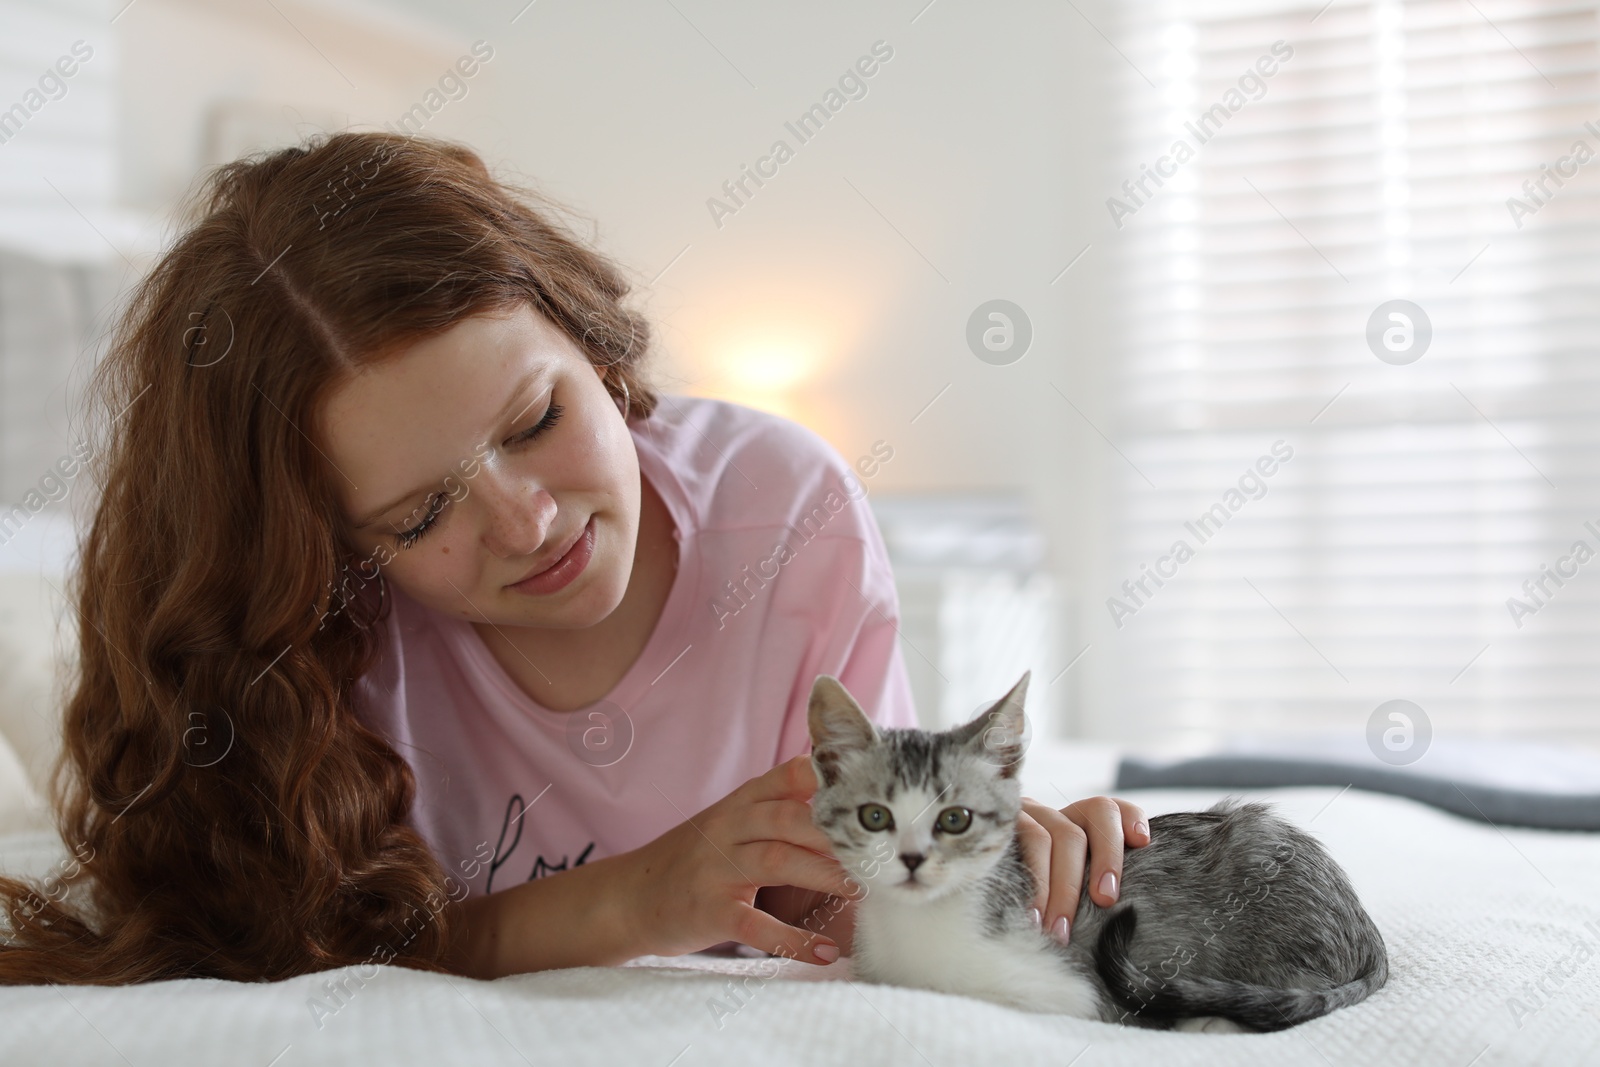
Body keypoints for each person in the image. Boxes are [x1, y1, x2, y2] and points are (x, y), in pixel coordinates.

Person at [0, 132, 1147, 984]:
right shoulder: (321, 648)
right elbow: (285, 940)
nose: (527, 522)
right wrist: (632, 900)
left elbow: (844, 885)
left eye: (535, 419)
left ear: (588, 340)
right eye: (415, 516)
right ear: (325, 550)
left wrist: (999, 852)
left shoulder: (784, 508)